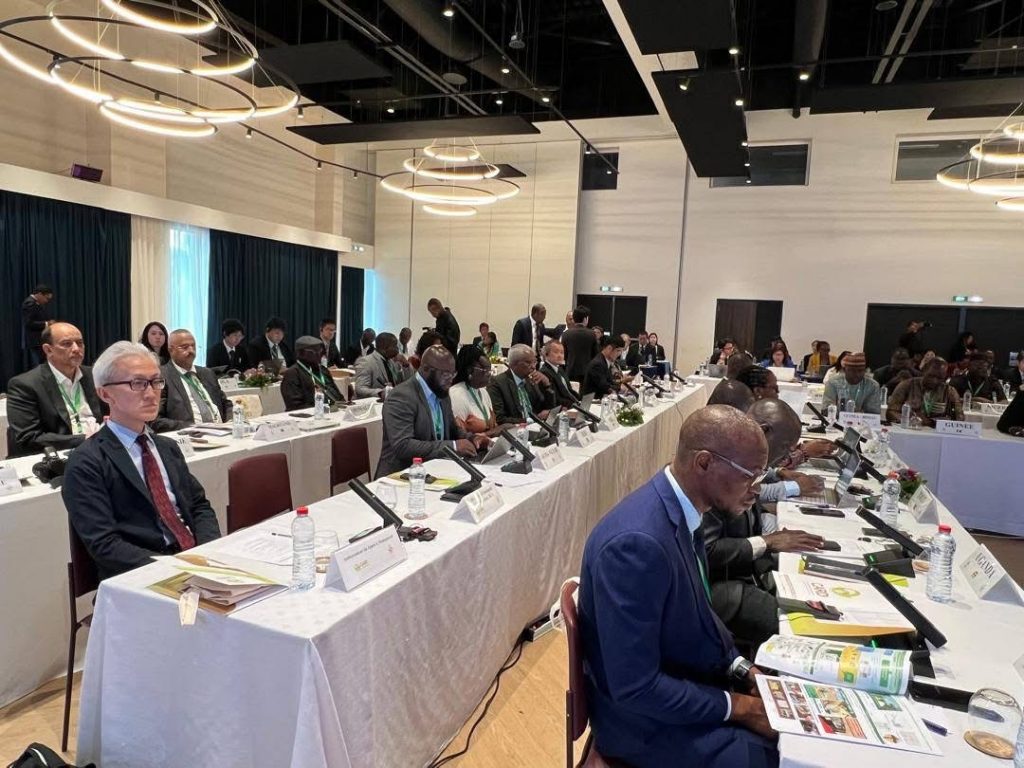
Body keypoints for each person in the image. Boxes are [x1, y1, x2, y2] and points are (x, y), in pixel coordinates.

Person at [578, 405, 778, 768]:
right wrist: (740, 707)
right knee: (781, 756)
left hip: (684, 688)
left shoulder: (683, 510)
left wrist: (741, 669)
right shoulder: (636, 545)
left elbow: (701, 619)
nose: (757, 490)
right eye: (750, 476)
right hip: (644, 728)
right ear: (704, 463)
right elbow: (636, 688)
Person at [62, 341, 221, 580]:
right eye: (137, 383)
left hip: (193, 560)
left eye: (156, 382)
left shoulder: (166, 447)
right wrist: (175, 568)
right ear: (105, 393)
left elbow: (199, 506)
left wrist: (207, 551)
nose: (151, 393)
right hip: (140, 575)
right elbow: (105, 544)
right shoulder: (87, 462)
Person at [701, 399, 825, 647]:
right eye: (785, 448)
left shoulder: (748, 463)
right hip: (720, 589)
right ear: (764, 431)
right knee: (801, 631)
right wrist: (766, 542)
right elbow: (706, 550)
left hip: (748, 572)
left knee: (815, 592)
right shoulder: (722, 466)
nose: (786, 457)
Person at [376, 346, 490, 478]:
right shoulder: (402, 396)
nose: (451, 379)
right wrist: (453, 446)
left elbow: (452, 429)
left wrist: (473, 438)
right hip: (402, 476)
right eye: (446, 374)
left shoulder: (441, 391)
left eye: (453, 373)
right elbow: (403, 446)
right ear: (425, 369)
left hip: (436, 470)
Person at [6, 322, 104, 457]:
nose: (76, 349)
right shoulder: (25, 385)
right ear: (48, 350)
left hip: (101, 449)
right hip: (59, 455)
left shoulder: (94, 375)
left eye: (80, 343)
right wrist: (84, 439)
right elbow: (29, 437)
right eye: (67, 344)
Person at [152, 329, 233, 432]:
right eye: (185, 347)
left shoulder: (207, 373)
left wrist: (231, 421)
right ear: (171, 350)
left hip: (221, 432)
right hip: (189, 434)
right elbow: (156, 419)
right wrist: (192, 427)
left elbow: (226, 403)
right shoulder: (161, 375)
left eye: (193, 346)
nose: (191, 350)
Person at [488, 344, 555, 424]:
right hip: (515, 429)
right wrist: (533, 420)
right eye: (528, 362)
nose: (533, 367)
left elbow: (547, 408)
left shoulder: (531, 379)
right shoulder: (497, 383)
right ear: (513, 364)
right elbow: (500, 419)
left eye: (534, 362)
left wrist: (547, 385)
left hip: (536, 427)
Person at [886, 357, 964, 427]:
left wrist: (932, 422)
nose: (934, 381)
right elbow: (891, 412)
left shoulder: (949, 391)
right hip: (911, 430)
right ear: (924, 370)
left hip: (937, 432)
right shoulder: (906, 385)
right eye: (931, 376)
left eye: (940, 378)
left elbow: (960, 419)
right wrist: (909, 421)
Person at [280, 337, 344, 411]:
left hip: (336, 410)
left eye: (321, 351)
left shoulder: (323, 370)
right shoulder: (292, 374)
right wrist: (326, 410)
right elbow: (295, 407)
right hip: (313, 414)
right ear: (301, 353)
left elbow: (338, 396)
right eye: (316, 351)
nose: (321, 355)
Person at [449, 346, 500, 436]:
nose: (489, 374)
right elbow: (460, 436)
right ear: (469, 370)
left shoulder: (483, 392)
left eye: (489, 370)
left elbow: (494, 427)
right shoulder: (456, 394)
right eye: (485, 370)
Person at [353, 332, 405, 398]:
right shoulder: (366, 362)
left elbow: (401, 382)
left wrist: (405, 365)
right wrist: (381, 392)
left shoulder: (391, 361)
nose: (397, 349)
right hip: (376, 402)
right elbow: (360, 389)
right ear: (385, 347)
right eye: (394, 346)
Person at [562, 305, 600, 384]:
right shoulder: (592, 334)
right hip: (586, 372)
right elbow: (596, 355)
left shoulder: (566, 334)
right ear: (585, 319)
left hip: (570, 371)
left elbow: (564, 355)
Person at [21, 283, 53, 367]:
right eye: (46, 298)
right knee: (39, 365)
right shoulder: (30, 303)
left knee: (43, 363)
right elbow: (28, 323)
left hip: (39, 340)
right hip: (35, 341)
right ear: (39, 294)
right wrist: (46, 323)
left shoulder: (35, 303)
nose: (47, 301)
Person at [539, 339, 577, 408]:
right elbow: (556, 398)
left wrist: (579, 400)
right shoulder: (545, 372)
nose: (560, 355)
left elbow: (569, 391)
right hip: (562, 408)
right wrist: (574, 405)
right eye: (556, 352)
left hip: (572, 404)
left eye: (562, 352)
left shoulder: (560, 369)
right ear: (546, 354)